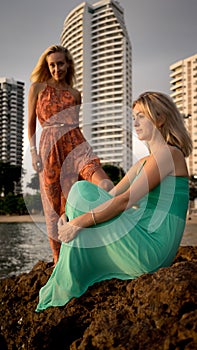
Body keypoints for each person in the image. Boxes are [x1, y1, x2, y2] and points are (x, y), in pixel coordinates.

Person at [36, 91, 192, 312]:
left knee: (81, 191)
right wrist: (69, 216)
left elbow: (125, 200)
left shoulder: (169, 154)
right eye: (133, 117)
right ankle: (69, 276)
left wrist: (78, 223)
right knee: (82, 192)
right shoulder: (144, 162)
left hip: (152, 250)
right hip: (144, 238)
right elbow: (110, 196)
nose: (135, 123)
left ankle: (67, 282)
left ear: (160, 118)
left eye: (141, 116)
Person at [28, 45, 113, 265]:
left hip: (75, 142)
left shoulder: (76, 94)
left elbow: (75, 123)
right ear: (48, 67)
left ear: (68, 64)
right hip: (49, 147)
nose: (57, 68)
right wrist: (33, 152)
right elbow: (30, 124)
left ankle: (111, 237)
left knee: (105, 185)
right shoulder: (37, 88)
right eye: (52, 65)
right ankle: (60, 259)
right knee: (55, 205)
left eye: (61, 63)